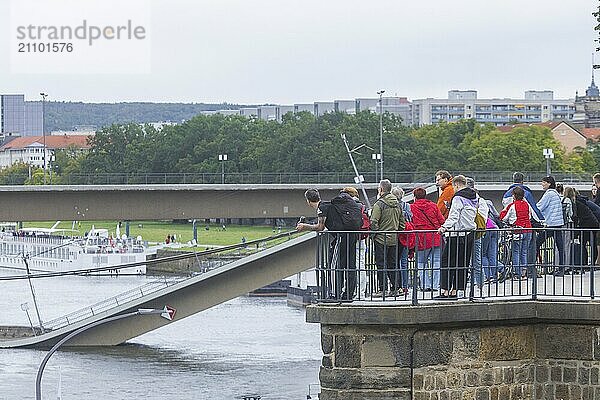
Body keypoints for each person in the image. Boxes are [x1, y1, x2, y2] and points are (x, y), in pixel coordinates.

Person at [297, 188, 358, 300]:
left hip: (340, 237)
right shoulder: (328, 205)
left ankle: (334, 295)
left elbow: (320, 227)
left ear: (308, 201)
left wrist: (304, 227)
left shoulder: (322, 208)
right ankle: (348, 295)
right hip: (351, 235)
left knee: (334, 266)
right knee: (350, 266)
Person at [437, 175, 477, 299]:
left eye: (454, 187)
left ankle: (445, 290)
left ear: (457, 185)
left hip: (456, 234)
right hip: (469, 233)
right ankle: (458, 290)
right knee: (462, 263)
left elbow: (454, 216)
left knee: (446, 261)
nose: (453, 190)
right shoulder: (474, 196)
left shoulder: (458, 198)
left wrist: (444, 227)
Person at [370, 179, 405, 297]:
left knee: (381, 264)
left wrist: (373, 235)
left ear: (381, 189)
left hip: (381, 238)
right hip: (393, 239)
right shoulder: (398, 203)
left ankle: (382, 289)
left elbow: (374, 222)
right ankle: (395, 288)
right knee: (393, 264)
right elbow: (402, 224)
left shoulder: (379, 204)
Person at [499, 186, 540, 279]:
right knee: (524, 251)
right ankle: (524, 272)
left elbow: (504, 217)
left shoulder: (512, 206)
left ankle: (517, 273)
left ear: (514, 196)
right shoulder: (526, 204)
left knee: (516, 251)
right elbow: (530, 216)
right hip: (528, 229)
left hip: (518, 230)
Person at [410, 187, 445, 291]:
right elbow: (442, 220)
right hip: (436, 237)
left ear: (414, 197)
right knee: (437, 262)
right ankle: (435, 285)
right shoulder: (433, 206)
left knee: (421, 263)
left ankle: (426, 285)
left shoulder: (412, 207)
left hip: (421, 238)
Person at [342, 186, 368, 297]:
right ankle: (361, 291)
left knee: (351, 265)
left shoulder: (348, 206)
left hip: (352, 238)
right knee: (361, 264)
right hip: (362, 238)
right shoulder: (362, 206)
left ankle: (352, 290)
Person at [536, 176, 565, 276]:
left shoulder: (548, 194)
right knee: (560, 246)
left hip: (551, 224)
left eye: (543, 182)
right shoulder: (556, 194)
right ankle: (561, 269)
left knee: (536, 243)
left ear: (549, 183)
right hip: (558, 223)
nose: (542, 184)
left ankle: (532, 268)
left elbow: (539, 206)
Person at [466, 177, 489, 290]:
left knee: (476, 261)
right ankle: (478, 284)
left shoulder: (479, 202)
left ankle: (480, 284)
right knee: (475, 260)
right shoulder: (481, 201)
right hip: (474, 233)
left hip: (473, 233)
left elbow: (482, 219)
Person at [392, 186, 412, 293]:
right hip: (404, 235)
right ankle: (405, 286)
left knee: (394, 261)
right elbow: (410, 217)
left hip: (394, 235)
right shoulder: (407, 205)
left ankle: (397, 285)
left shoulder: (391, 205)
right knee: (404, 262)